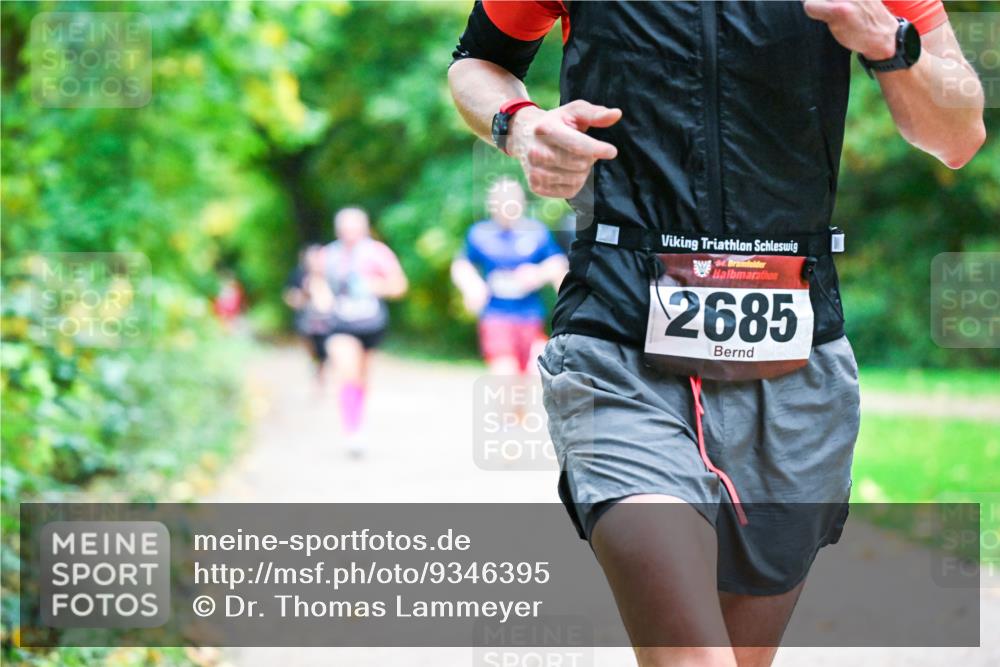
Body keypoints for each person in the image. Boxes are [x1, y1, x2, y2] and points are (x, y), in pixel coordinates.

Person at [449, 1, 984, 666]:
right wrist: (520, 125)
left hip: (794, 367)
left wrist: (886, 40)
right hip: (619, 343)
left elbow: (960, 134)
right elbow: (478, 61)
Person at [451, 177, 568, 376]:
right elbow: (461, 265)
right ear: (491, 204)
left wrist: (538, 274)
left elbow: (558, 263)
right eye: (500, 201)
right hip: (496, 316)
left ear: (521, 202)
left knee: (533, 376)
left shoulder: (536, 232)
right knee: (505, 375)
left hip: (530, 316)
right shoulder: (480, 233)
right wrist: (472, 285)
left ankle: (519, 408)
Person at [324, 207, 408, 457]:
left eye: (354, 227)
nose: (349, 232)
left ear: (364, 227)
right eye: (345, 227)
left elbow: (399, 285)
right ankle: (352, 430)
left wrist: (376, 286)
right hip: (340, 323)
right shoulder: (328, 255)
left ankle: (358, 421)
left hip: (371, 323)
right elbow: (315, 283)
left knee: (361, 378)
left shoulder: (377, 253)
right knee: (346, 373)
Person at [284, 244, 337, 388]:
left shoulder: (333, 274)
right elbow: (289, 296)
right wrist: (303, 296)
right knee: (313, 352)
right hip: (307, 321)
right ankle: (317, 374)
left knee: (327, 351)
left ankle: (322, 374)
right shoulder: (298, 275)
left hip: (329, 321)